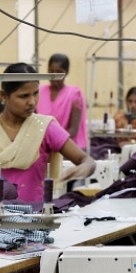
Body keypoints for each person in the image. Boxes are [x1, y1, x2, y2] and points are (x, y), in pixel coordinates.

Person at [0, 63, 95, 202]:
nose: (32, 102)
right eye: (24, 96)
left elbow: (87, 160)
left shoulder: (45, 128)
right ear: (3, 96)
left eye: (35, 93)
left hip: (34, 218)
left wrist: (84, 168)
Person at [36, 53, 87, 150]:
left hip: (68, 147)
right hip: (42, 147)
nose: (54, 76)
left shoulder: (75, 94)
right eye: (51, 72)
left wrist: (53, 141)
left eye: (59, 72)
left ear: (66, 72)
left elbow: (73, 130)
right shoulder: (39, 92)